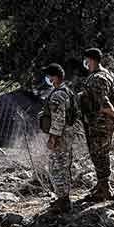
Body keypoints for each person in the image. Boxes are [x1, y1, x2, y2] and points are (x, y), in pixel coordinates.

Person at [78, 48, 114, 202]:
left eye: (86, 60)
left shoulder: (97, 78)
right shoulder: (110, 75)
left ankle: (104, 189)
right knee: (102, 152)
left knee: (99, 154)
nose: (85, 64)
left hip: (99, 122)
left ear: (91, 60)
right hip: (104, 121)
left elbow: (104, 102)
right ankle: (102, 185)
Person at [41, 63, 78, 213]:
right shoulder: (66, 91)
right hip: (67, 134)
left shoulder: (58, 94)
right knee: (63, 166)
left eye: (49, 76)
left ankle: (63, 201)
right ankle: (63, 199)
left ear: (55, 77)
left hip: (61, 137)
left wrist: (53, 138)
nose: (48, 79)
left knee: (57, 168)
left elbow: (58, 118)